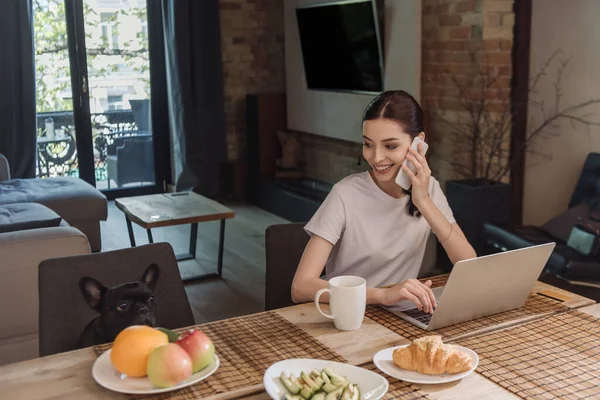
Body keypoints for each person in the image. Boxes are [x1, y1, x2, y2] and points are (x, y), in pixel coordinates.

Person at [291, 90, 477, 314]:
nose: (376, 157)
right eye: (368, 144)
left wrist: (424, 201)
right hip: (350, 314)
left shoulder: (429, 190)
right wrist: (383, 295)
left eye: (390, 146)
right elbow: (301, 287)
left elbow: (467, 262)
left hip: (403, 315)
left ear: (419, 143)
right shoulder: (345, 194)